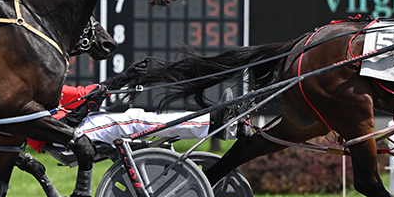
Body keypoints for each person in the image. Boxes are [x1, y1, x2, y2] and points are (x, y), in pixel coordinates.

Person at [26, 84, 238, 161]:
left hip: (77, 128)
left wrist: (116, 83)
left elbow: (82, 93)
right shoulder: (26, 96)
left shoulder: (40, 86)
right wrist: (91, 99)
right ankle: (211, 123)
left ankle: (211, 124)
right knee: (134, 120)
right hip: (67, 137)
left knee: (136, 117)